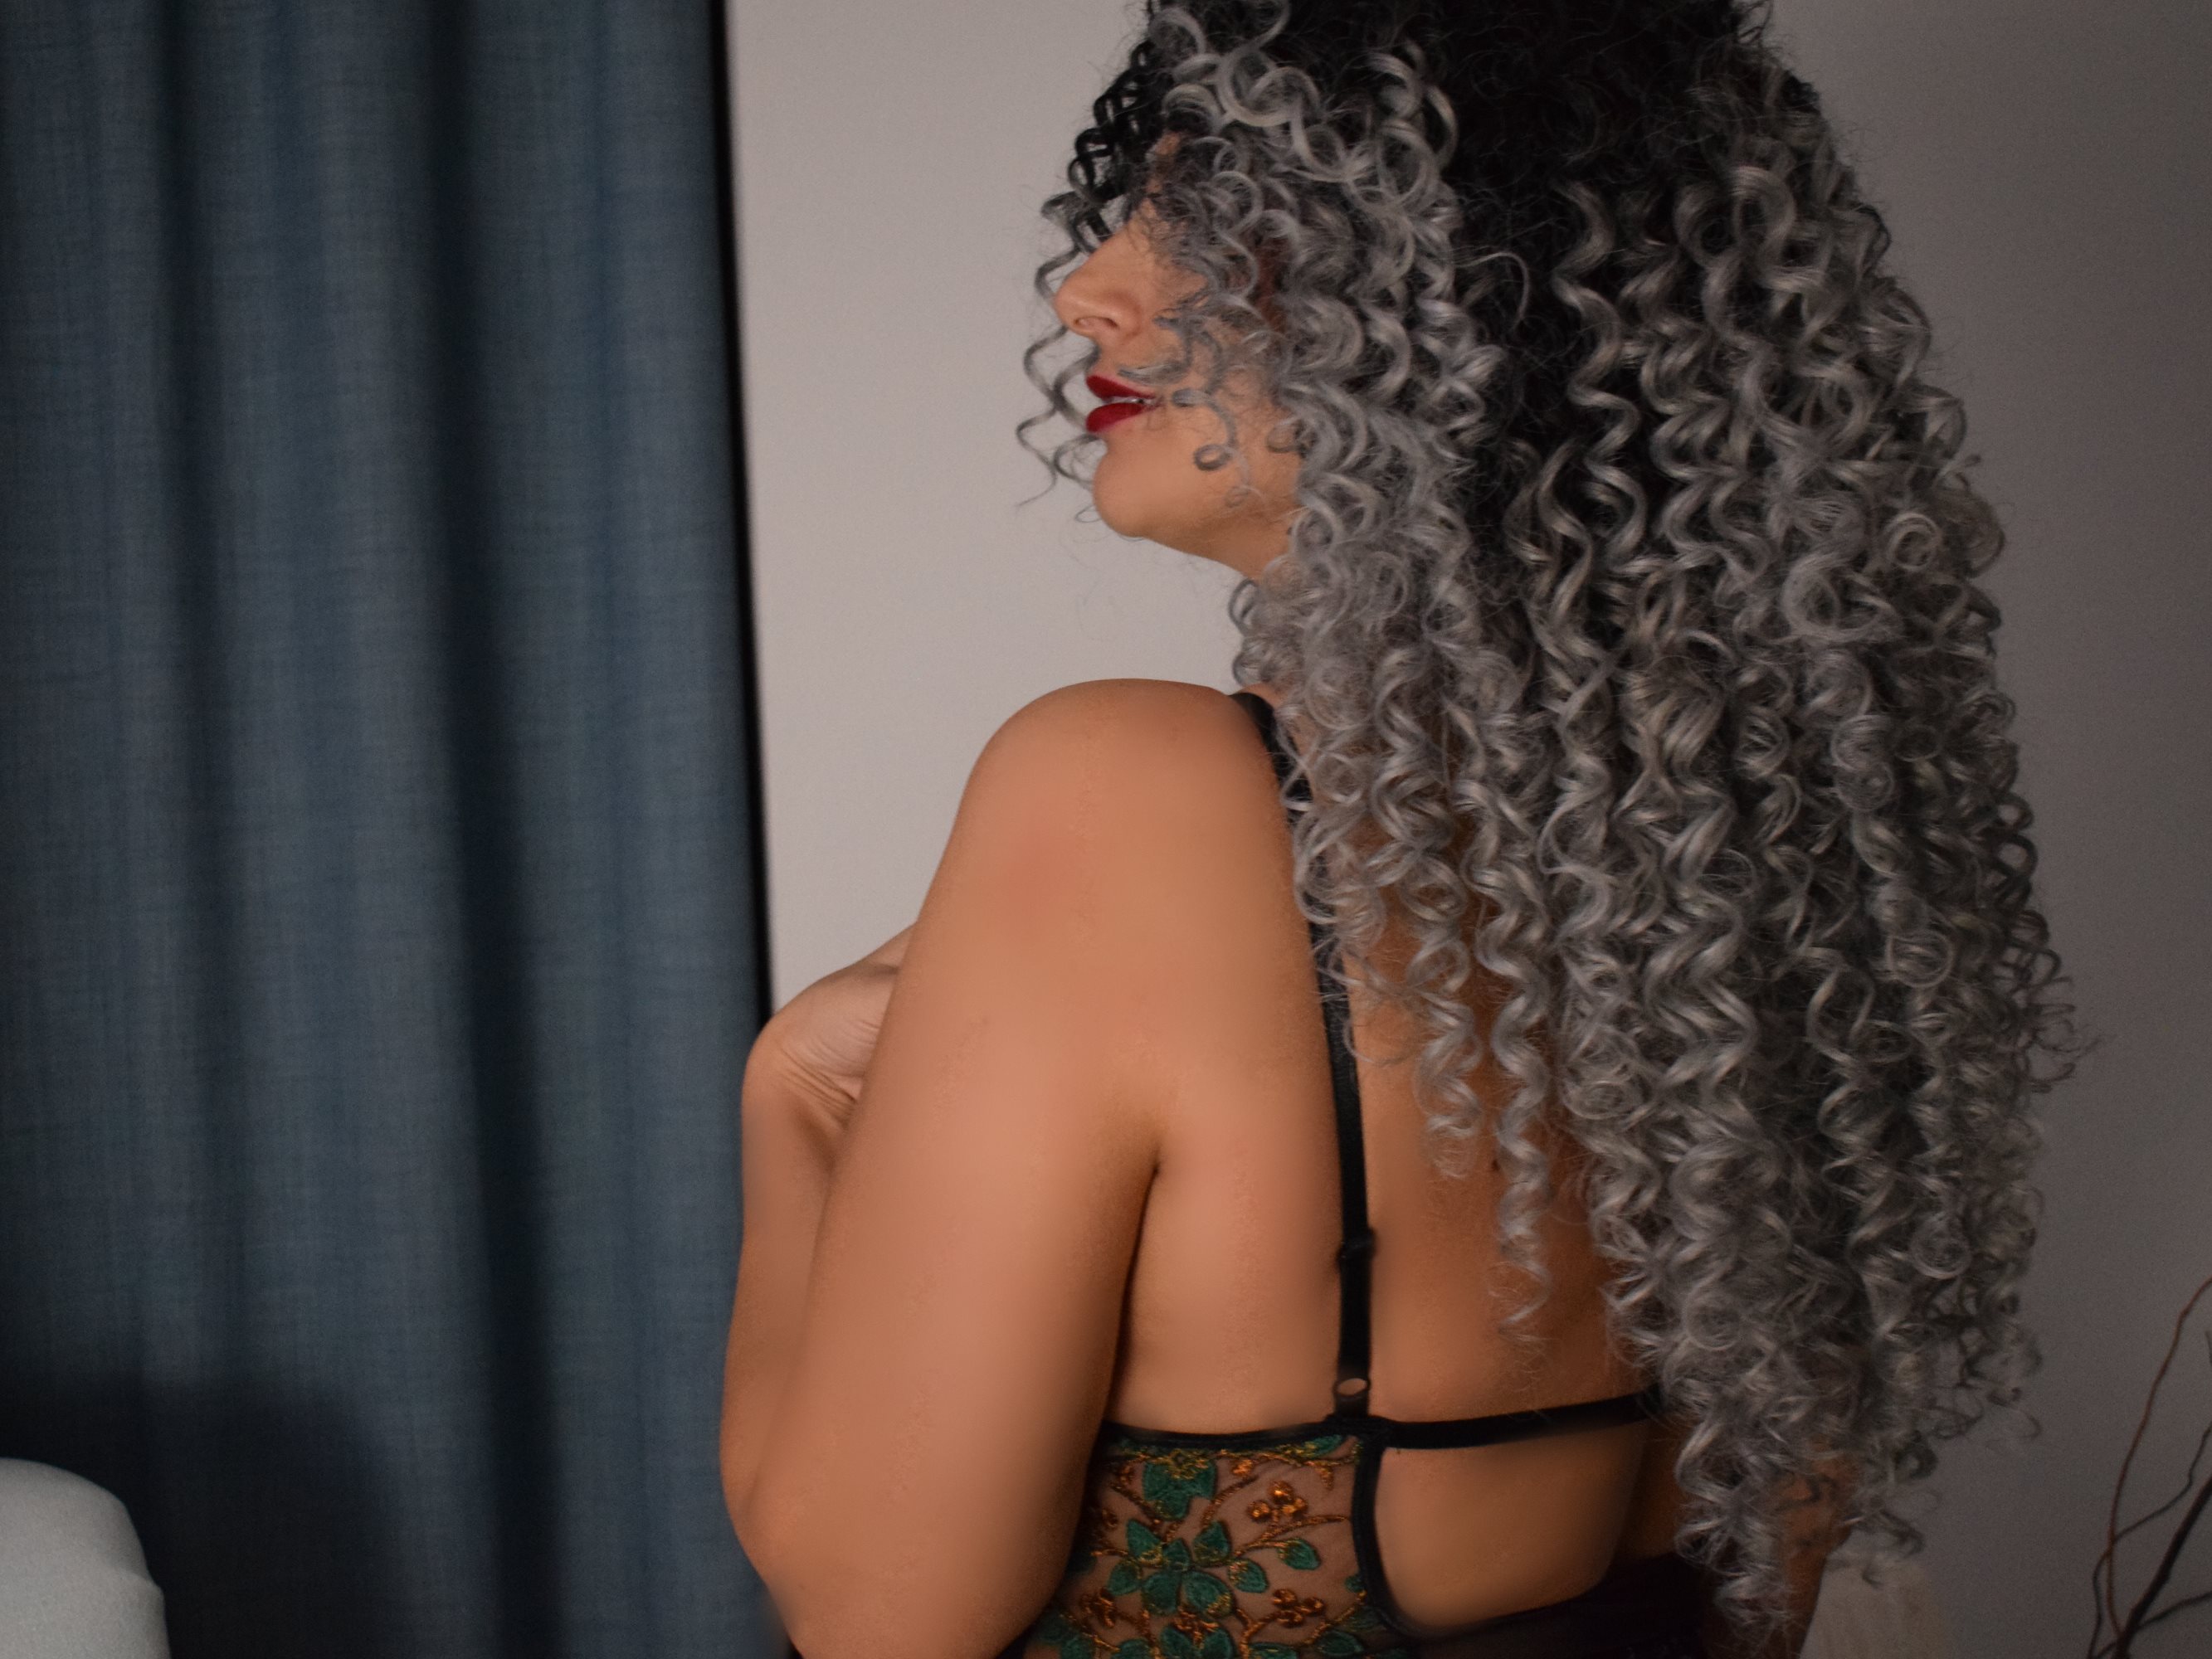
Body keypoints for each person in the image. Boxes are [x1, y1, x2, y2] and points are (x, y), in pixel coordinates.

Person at [719, 2, 2083, 1656]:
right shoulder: (1775, 895)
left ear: (1476, 317)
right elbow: (1761, 1599)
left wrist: (794, 1099)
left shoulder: (1126, 793)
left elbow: (873, 1612)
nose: (1091, 290)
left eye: (1209, 218)